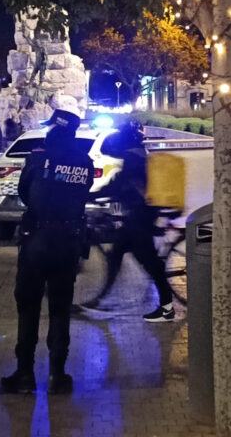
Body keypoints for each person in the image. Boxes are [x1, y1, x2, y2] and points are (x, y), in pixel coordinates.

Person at [0, 107, 93, 395]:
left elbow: (24, 193)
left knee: (28, 308)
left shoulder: (38, 158)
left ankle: (25, 374)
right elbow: (83, 191)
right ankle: (57, 375)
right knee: (60, 309)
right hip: (68, 241)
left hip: (36, 240)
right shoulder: (85, 162)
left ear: (55, 129)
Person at [80, 120, 175, 322]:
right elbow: (119, 184)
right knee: (116, 254)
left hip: (140, 217)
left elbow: (119, 186)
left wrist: (91, 197)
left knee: (149, 262)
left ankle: (167, 308)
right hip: (140, 214)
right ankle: (101, 299)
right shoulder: (138, 154)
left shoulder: (133, 158)